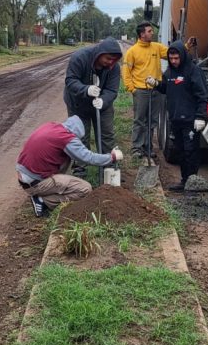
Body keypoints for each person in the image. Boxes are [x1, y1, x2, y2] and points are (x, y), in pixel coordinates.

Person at [16, 115, 123, 216]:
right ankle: (43, 201)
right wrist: (111, 157)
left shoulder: (52, 126)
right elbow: (88, 157)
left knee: (67, 156)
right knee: (85, 189)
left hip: (26, 176)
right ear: (75, 135)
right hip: (36, 183)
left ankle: (50, 188)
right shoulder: (66, 138)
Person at [153, 40, 207, 191]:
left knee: (191, 151)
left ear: (182, 56)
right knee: (181, 151)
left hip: (190, 119)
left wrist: (200, 116)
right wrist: (156, 84)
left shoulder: (193, 71)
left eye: (176, 58)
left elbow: (202, 95)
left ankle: (192, 183)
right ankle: (184, 181)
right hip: (175, 119)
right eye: (171, 58)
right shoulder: (169, 72)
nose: (174, 61)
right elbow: (166, 88)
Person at [63, 37, 123, 167]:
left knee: (106, 135)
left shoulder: (114, 68)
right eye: (108, 58)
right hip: (78, 103)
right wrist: (86, 89)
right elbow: (70, 81)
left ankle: (109, 168)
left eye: (114, 60)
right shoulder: (79, 58)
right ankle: (80, 170)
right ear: (100, 54)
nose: (110, 62)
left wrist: (103, 100)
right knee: (80, 137)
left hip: (102, 105)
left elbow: (112, 90)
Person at [122, 22, 169, 157]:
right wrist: (132, 89)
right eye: (149, 31)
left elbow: (172, 53)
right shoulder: (132, 51)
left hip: (156, 91)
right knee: (139, 120)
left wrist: (187, 47)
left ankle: (148, 147)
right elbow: (126, 72)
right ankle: (136, 148)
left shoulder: (157, 47)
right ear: (142, 34)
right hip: (140, 91)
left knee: (152, 121)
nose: (152, 33)